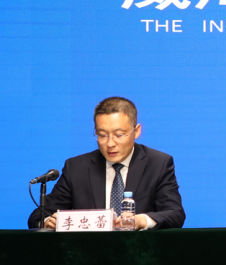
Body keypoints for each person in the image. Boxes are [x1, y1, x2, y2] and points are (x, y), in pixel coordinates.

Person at [28, 97, 185, 230]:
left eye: (119, 135)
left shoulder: (158, 164)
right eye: (102, 135)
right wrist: (48, 221)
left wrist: (142, 220)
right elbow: (38, 216)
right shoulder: (76, 168)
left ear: (136, 131)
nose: (110, 143)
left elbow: (175, 213)